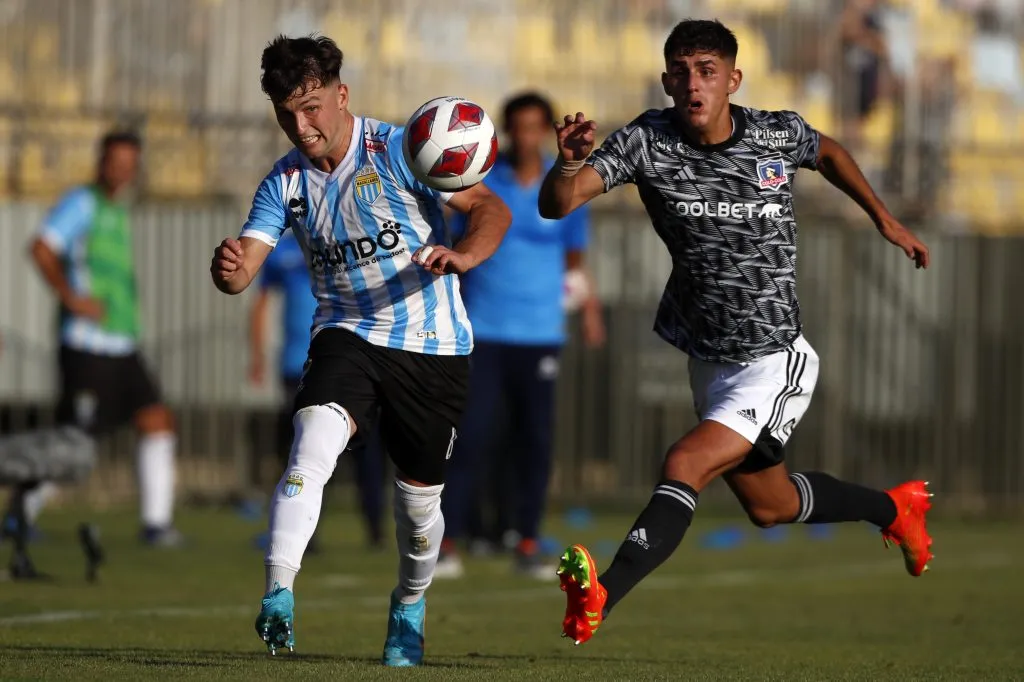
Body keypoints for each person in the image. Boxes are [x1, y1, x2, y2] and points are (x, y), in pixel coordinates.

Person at [538, 19, 934, 646]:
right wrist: (566, 164)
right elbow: (557, 206)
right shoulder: (647, 140)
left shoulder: (774, 133)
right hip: (709, 357)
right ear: (667, 79)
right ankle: (897, 509)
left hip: (775, 357)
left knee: (685, 461)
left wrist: (883, 218)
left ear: (732, 79)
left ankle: (600, 598)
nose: (694, 84)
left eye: (708, 71)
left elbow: (827, 150)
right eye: (682, 72)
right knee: (770, 507)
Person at [209, 35, 511, 665]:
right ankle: (278, 593)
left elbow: (489, 209)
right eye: (287, 113)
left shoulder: (403, 149)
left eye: (312, 106)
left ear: (340, 95)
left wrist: (465, 255)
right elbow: (244, 272)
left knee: (418, 505)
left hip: (432, 346)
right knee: (310, 443)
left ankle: (409, 604)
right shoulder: (284, 183)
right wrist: (229, 268)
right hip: (347, 334)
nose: (302, 125)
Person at [435, 92, 605, 580]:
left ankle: (527, 539)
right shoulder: (483, 182)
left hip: (540, 334)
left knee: (535, 441)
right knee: (470, 437)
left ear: (545, 130)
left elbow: (575, 262)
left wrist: (589, 310)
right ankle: (446, 541)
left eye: (535, 128)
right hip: (483, 330)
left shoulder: (564, 186)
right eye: (519, 128)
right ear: (507, 132)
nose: (526, 137)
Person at [28, 130, 181, 547]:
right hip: (87, 343)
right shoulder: (83, 203)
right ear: (101, 162)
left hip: (122, 342)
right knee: (76, 440)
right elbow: (41, 247)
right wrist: (70, 298)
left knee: (157, 420)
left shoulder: (118, 209)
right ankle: (19, 515)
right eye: (117, 162)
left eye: (131, 163)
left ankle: (156, 524)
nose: (123, 171)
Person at [248, 228, 385, 551]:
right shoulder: (281, 252)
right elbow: (262, 301)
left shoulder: (350, 239)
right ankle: (305, 534)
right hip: (298, 362)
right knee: (306, 451)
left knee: (366, 449)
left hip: (352, 360)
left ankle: (376, 528)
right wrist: (257, 353)